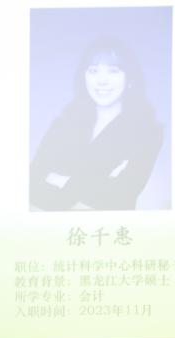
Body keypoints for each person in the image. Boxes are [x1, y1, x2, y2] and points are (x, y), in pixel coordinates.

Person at [30, 38, 164, 211]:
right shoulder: (61, 125)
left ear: (130, 78)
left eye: (113, 71)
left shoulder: (148, 132)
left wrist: (61, 180)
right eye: (93, 71)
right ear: (83, 76)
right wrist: (99, 182)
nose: (101, 81)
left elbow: (122, 195)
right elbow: (31, 184)